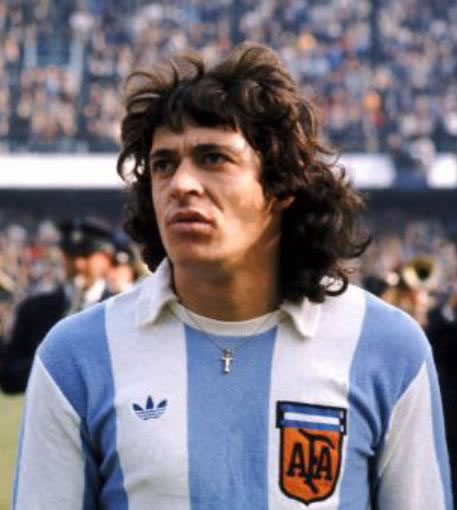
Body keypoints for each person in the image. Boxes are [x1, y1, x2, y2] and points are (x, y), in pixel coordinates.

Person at [12, 42, 452, 509]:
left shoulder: (387, 348)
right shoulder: (77, 356)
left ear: (281, 185)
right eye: (164, 164)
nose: (181, 184)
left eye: (213, 158)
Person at [0, 217, 115, 394]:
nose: (78, 264)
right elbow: (9, 379)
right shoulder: (33, 309)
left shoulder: (119, 308)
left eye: (86, 255)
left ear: (106, 258)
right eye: (71, 255)